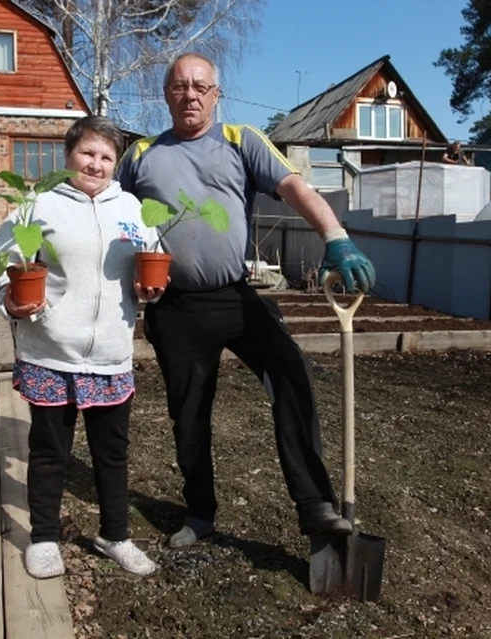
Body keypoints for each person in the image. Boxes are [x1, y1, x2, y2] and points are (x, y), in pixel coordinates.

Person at [116, 52, 377, 548]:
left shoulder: (242, 140)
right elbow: (111, 218)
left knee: (291, 373)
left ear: (217, 94)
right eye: (179, 86)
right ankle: (199, 513)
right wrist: (129, 272)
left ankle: (315, 504)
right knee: (188, 414)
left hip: (236, 300)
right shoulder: (141, 154)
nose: (189, 94)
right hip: (175, 309)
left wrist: (335, 236)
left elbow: (295, 186)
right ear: (165, 94)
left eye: (200, 86)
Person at [0, 116, 164, 578]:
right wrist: (8, 299)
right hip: (50, 349)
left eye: (107, 157)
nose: (97, 164)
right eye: (88, 153)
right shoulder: (37, 205)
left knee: (113, 452)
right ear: (68, 156)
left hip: (109, 352)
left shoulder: (131, 208)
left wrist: (153, 291)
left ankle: (115, 535)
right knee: (50, 451)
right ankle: (43, 537)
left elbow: (153, 261)